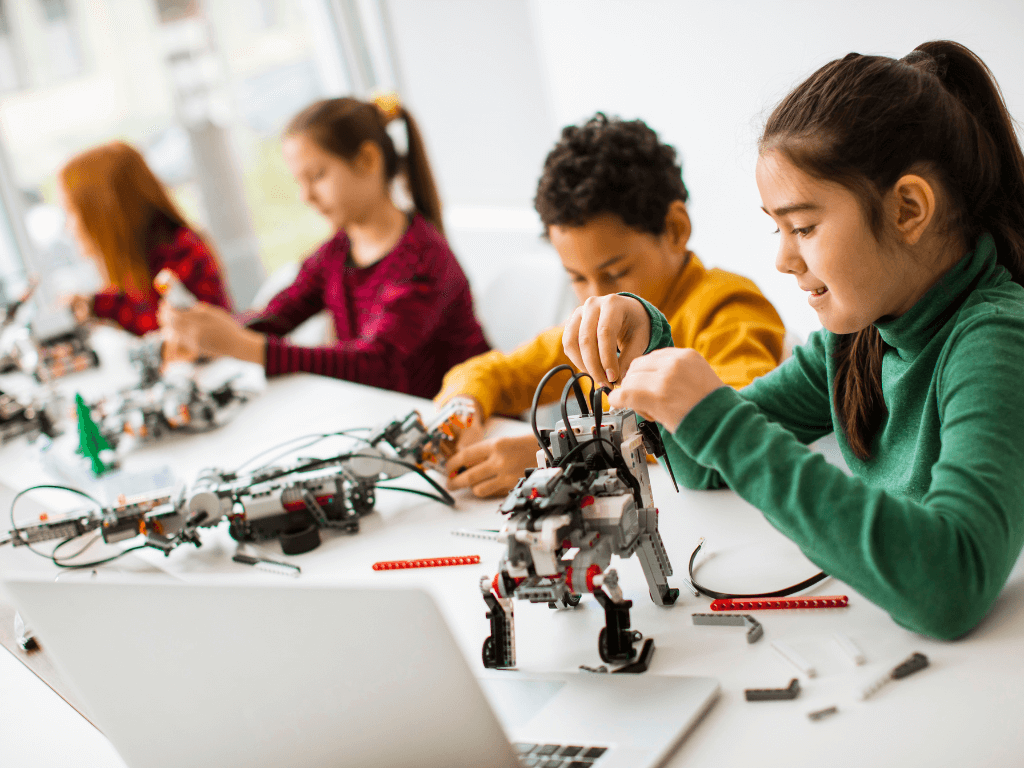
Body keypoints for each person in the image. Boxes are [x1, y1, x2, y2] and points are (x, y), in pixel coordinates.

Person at [562, 41, 1024, 640]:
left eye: (803, 226)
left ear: (909, 209)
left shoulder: (996, 341)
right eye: (776, 227)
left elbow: (952, 587)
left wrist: (721, 422)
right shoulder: (858, 336)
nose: (781, 259)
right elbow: (705, 462)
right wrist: (653, 348)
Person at [438, 114, 785, 497]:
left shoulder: (727, 307)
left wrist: (564, 455)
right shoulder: (600, 324)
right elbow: (495, 372)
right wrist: (461, 410)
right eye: (577, 277)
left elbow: (734, 421)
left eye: (616, 272)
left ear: (674, 229)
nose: (594, 297)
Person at [158, 95, 489, 399]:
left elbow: (377, 365)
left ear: (368, 160)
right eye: (298, 182)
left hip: (471, 426)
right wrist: (208, 333)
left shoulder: (424, 258)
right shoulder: (336, 253)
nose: (305, 197)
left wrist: (241, 345)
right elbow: (278, 315)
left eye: (316, 176)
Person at [59, 141, 232, 335]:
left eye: (71, 212)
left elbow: (162, 329)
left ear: (104, 215)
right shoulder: (148, 261)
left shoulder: (179, 255)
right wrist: (93, 305)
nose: (69, 227)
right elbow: (135, 308)